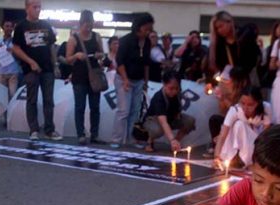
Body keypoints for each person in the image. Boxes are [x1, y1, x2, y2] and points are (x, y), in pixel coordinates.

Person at [12, 0, 62, 141]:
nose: (38, 9)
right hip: (30, 69)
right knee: (32, 100)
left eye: (39, 7)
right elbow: (16, 48)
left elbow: (52, 46)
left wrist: (55, 64)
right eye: (35, 7)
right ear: (27, 8)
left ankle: (49, 130)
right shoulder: (21, 26)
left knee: (48, 100)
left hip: (47, 68)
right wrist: (30, 61)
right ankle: (33, 130)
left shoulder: (45, 25)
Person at [111, 13, 154, 147]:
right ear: (139, 27)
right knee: (123, 111)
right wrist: (125, 80)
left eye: (150, 29)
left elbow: (147, 63)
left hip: (139, 80)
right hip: (124, 78)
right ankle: (116, 139)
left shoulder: (147, 42)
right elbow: (120, 61)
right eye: (146, 29)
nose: (148, 32)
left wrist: (146, 82)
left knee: (135, 111)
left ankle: (130, 138)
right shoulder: (126, 40)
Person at [66, 9, 104, 145]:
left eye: (91, 25)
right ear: (80, 24)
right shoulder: (73, 39)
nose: (88, 28)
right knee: (80, 107)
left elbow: (101, 53)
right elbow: (68, 59)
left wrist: (100, 55)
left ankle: (95, 134)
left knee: (95, 107)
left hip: (94, 76)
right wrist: (76, 56)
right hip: (79, 77)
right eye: (86, 25)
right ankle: (80, 134)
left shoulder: (96, 36)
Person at [214, 86, 271, 168]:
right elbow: (223, 136)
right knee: (239, 124)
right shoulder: (235, 110)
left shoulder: (266, 108)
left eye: (250, 105)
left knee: (242, 125)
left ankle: (248, 159)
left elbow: (266, 135)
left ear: (258, 103)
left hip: (257, 141)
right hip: (236, 141)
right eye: (242, 103)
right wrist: (217, 156)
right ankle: (235, 157)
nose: (245, 108)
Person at [143, 70, 195, 153]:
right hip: (154, 120)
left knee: (189, 121)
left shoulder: (178, 93)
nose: (174, 91)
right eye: (171, 88)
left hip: (171, 118)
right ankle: (149, 141)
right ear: (164, 84)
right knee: (157, 130)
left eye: (176, 88)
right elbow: (163, 122)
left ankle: (176, 143)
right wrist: (172, 139)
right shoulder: (159, 98)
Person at [208, 11, 260, 78]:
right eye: (217, 28)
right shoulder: (218, 44)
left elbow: (253, 59)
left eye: (221, 26)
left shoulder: (245, 37)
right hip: (227, 81)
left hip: (245, 80)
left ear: (229, 22)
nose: (219, 30)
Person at [0, 19, 22, 100]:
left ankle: (11, 112)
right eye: (7, 26)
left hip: (13, 72)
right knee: (2, 96)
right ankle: (3, 112)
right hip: (1, 72)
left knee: (13, 95)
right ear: (2, 27)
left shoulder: (16, 42)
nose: (9, 28)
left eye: (11, 26)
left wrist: (13, 52)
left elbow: (21, 57)